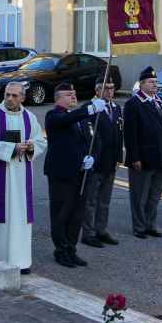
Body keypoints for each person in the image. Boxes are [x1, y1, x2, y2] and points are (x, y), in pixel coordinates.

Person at [0, 82, 47, 273]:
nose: (10, 98)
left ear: (23, 97)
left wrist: (31, 146)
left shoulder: (30, 117)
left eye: (15, 95)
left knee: (19, 216)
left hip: (21, 176)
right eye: (7, 95)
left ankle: (20, 261)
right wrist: (12, 148)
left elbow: (40, 141)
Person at [44, 82, 102, 267]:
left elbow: (87, 142)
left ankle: (71, 248)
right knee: (61, 213)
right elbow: (64, 121)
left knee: (77, 214)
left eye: (74, 93)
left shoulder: (78, 118)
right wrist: (90, 109)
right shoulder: (54, 115)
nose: (73, 96)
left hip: (80, 173)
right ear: (58, 98)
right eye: (69, 94)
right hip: (61, 175)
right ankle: (61, 251)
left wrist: (89, 157)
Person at [123, 67, 162, 239]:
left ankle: (150, 224)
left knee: (154, 195)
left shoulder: (161, 102)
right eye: (151, 82)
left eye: (156, 82)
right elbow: (130, 134)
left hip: (161, 157)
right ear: (142, 84)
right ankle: (139, 226)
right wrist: (135, 157)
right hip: (143, 158)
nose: (155, 85)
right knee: (140, 196)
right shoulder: (133, 104)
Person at [80, 80, 124, 249]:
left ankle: (101, 230)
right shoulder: (89, 108)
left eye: (112, 88)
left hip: (110, 161)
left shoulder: (116, 108)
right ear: (97, 90)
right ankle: (88, 233)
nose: (110, 91)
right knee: (91, 200)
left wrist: (119, 157)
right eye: (106, 88)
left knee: (105, 200)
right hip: (96, 161)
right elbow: (86, 135)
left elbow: (119, 134)